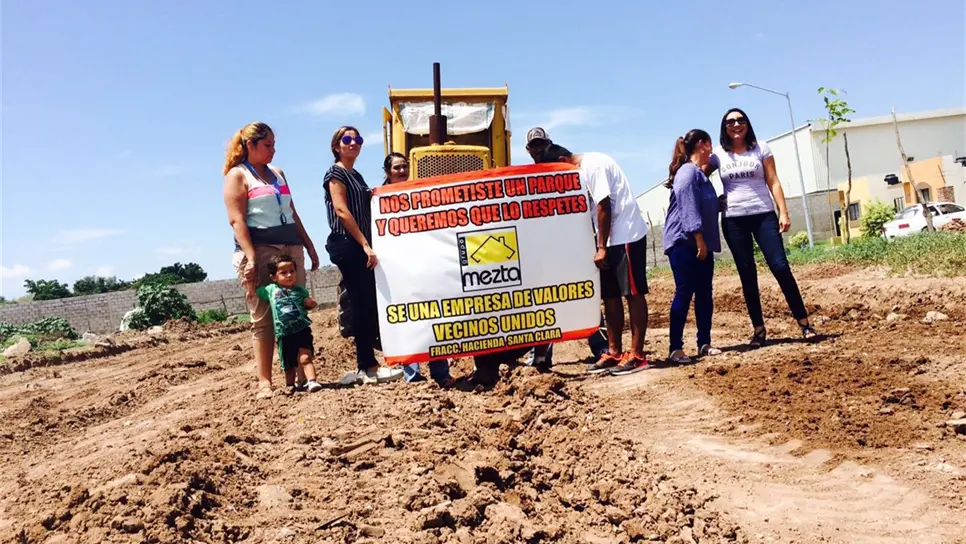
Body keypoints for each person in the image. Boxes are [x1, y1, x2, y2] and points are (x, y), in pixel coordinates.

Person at [222, 121, 320, 399]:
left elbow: (293, 211)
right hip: (262, 250)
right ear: (250, 145)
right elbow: (236, 220)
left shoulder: (278, 174)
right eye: (267, 145)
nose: (273, 150)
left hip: (291, 246)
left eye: (274, 145)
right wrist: (251, 257)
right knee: (264, 317)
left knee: (297, 310)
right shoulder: (237, 176)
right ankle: (265, 381)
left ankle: (301, 375)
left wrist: (309, 245)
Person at [537, 145, 651, 376]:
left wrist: (601, 246)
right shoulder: (582, 170)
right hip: (608, 240)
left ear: (562, 160)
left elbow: (603, 205)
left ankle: (637, 355)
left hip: (625, 235)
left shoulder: (593, 165)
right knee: (609, 296)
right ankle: (614, 352)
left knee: (632, 292)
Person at [711, 108, 818, 346]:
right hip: (733, 219)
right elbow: (699, 177)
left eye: (740, 120)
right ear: (724, 127)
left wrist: (784, 211)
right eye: (730, 122)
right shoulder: (718, 155)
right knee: (747, 274)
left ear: (747, 124)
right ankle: (758, 330)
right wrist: (713, 200)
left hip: (763, 215)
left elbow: (773, 180)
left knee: (780, 267)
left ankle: (804, 323)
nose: (736, 125)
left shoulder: (761, 147)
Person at [381, 153, 456, 387]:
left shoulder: (421, 194)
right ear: (387, 172)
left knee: (436, 315)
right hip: (398, 268)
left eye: (404, 166)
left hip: (425, 264)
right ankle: (412, 374)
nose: (402, 171)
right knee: (407, 318)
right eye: (396, 168)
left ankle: (441, 372)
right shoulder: (379, 200)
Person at [323, 126, 385, 385]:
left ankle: (370, 361)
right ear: (336, 146)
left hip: (359, 244)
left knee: (368, 302)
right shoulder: (335, 173)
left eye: (358, 139)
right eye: (347, 139)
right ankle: (365, 365)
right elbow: (341, 210)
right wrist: (365, 244)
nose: (353, 143)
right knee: (359, 303)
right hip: (348, 244)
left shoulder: (356, 174)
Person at [662, 129, 723, 364]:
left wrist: (717, 204)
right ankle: (675, 348)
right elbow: (688, 208)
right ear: (702, 144)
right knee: (685, 291)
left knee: (704, 293)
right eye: (711, 145)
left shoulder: (699, 174)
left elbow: (702, 203)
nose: (712, 150)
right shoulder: (687, 173)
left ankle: (704, 343)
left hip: (698, 241)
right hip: (683, 241)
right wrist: (699, 239)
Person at [257, 254, 323, 394]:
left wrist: (310, 304)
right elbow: (258, 292)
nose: (289, 275)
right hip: (284, 334)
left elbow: (307, 303)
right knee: (288, 364)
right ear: (273, 277)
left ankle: (312, 381)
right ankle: (290, 385)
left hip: (302, 330)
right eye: (283, 272)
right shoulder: (271, 290)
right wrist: (250, 283)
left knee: (305, 358)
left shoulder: (300, 291)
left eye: (292, 271)